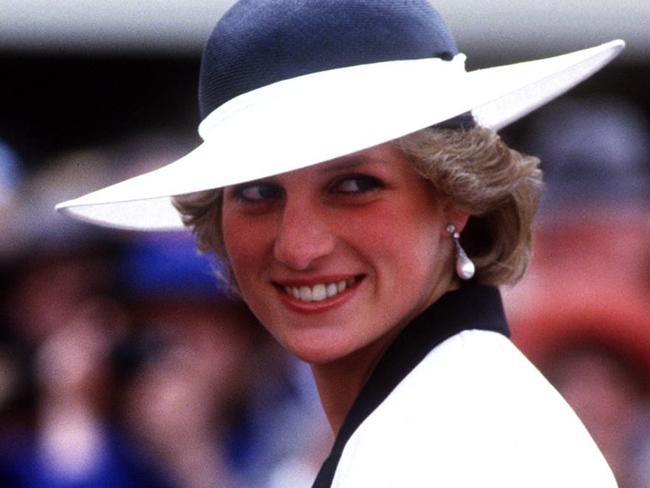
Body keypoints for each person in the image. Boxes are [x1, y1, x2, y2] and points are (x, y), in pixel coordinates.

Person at [56, 1, 626, 485]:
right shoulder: (443, 414)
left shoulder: (454, 444)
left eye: (354, 186)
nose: (298, 247)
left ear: (455, 195)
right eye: (257, 192)